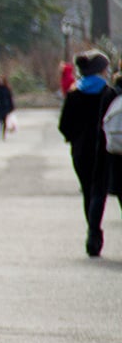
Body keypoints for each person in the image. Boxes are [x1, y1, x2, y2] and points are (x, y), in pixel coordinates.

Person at [59, 50, 117, 257]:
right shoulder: (108, 93)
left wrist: (74, 138)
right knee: (99, 191)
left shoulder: (74, 93)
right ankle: (94, 233)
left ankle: (92, 231)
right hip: (103, 148)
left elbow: (64, 125)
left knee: (87, 190)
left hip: (80, 149)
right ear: (102, 70)